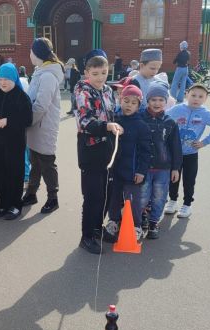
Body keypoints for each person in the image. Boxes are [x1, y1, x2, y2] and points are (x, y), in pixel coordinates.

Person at [75, 53, 122, 254]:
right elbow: (85, 121)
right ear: (87, 73)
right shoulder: (82, 91)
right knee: (93, 195)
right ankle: (87, 236)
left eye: (103, 72)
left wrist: (118, 122)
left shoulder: (108, 91)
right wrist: (107, 125)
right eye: (95, 73)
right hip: (90, 150)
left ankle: (97, 228)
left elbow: (113, 112)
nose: (100, 77)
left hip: (108, 149)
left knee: (106, 193)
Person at [0, 63, 33, 220]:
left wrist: (9, 121)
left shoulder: (21, 96)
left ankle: (14, 205)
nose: (2, 82)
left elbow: (28, 119)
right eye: (0, 79)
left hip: (15, 143)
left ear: (14, 78)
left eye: (6, 79)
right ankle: (1, 204)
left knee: (14, 174)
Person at [164, 83, 210, 218]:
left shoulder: (205, 113)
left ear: (205, 99)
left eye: (200, 96)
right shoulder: (177, 109)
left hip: (191, 154)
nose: (196, 99)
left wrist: (204, 142)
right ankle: (172, 201)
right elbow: (164, 119)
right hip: (175, 153)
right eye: (193, 95)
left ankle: (187, 205)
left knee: (189, 180)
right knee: (173, 178)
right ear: (187, 95)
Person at [103, 81, 151, 242]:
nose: (129, 105)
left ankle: (136, 225)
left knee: (133, 201)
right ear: (120, 100)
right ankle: (114, 221)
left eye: (133, 103)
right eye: (126, 101)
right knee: (114, 198)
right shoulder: (114, 120)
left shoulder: (142, 126)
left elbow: (146, 152)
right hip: (115, 171)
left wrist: (141, 171)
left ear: (139, 106)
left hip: (132, 172)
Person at [20, 38, 64, 215]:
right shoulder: (40, 71)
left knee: (47, 163)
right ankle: (31, 193)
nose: (29, 54)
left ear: (36, 53)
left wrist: (26, 121)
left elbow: (40, 105)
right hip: (36, 126)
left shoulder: (47, 75)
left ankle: (53, 198)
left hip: (43, 127)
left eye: (31, 51)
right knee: (35, 161)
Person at [139, 80, 182, 239]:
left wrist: (176, 168)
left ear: (166, 101)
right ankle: (142, 217)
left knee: (159, 196)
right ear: (147, 101)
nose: (157, 103)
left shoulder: (170, 122)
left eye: (161, 100)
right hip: (143, 167)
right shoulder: (140, 118)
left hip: (163, 168)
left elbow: (176, 147)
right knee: (143, 195)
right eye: (153, 100)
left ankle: (153, 222)